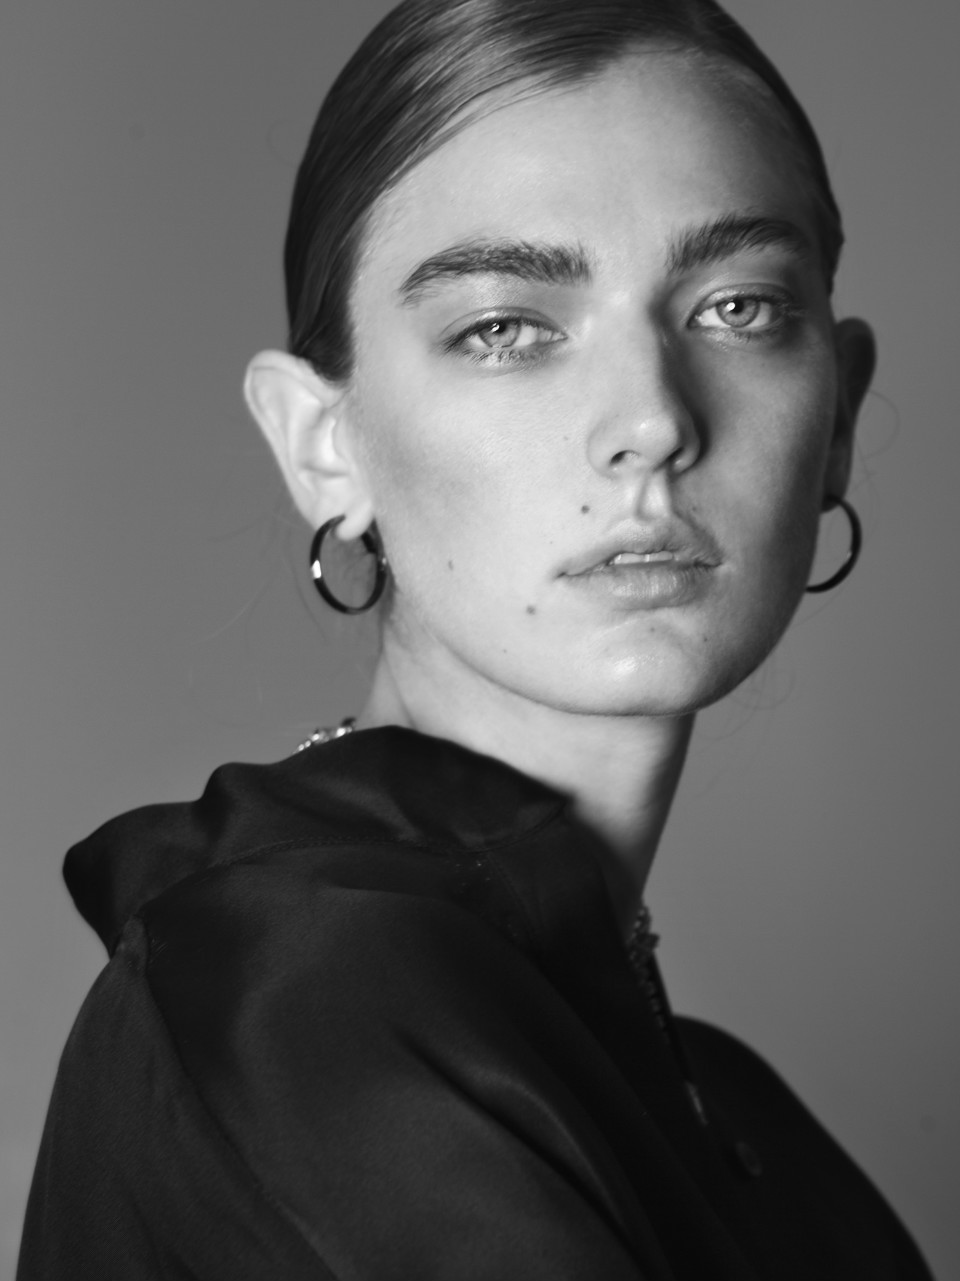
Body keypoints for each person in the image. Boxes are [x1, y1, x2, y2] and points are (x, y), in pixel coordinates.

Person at [17, 0, 934, 1277]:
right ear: (323, 446)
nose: (653, 422)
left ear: (837, 419)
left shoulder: (737, 1120)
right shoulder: (305, 998)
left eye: (738, 307)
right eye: (504, 329)